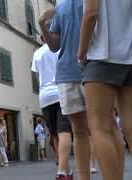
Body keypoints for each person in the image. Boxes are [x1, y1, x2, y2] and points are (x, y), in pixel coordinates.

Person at [77, 0, 131, 179]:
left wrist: (81, 53)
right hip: (130, 53)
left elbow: (91, 14)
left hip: (102, 55)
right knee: (129, 122)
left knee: (100, 126)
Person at [39, 2, 90, 179]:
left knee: (79, 131)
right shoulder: (61, 8)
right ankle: (71, 171)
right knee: (87, 130)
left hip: (81, 72)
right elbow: (54, 46)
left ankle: (64, 170)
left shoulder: (63, 8)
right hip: (71, 74)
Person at [31, 35, 73, 176]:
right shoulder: (61, 48)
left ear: (41, 38)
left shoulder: (37, 53)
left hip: (45, 96)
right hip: (61, 91)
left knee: (54, 133)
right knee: (64, 132)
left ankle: (62, 167)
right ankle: (64, 169)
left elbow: (37, 77)